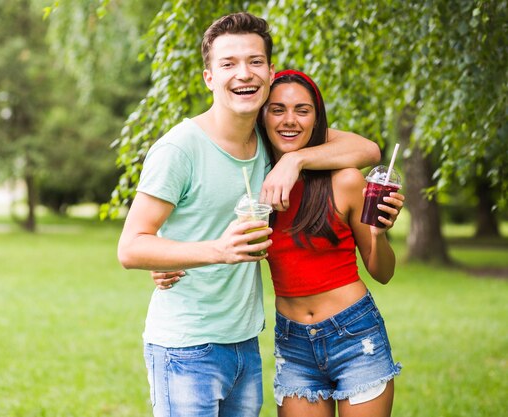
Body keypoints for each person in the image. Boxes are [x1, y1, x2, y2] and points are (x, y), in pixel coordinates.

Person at [118, 12, 380, 417]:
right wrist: (213, 251)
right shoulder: (180, 149)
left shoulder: (270, 137)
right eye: (228, 63)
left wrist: (294, 162)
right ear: (209, 77)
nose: (244, 73)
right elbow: (131, 247)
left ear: (270, 72)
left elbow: (368, 150)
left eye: (255, 61)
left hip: (245, 343)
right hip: (187, 348)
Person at [155, 70, 405, 417]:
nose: (290, 120)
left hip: (355, 335)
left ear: (316, 119)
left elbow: (383, 272)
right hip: (294, 342)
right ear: (262, 116)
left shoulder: (345, 181)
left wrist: (377, 234)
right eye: (277, 110)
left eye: (303, 110)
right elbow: (208, 227)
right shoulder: (255, 182)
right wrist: (168, 262)